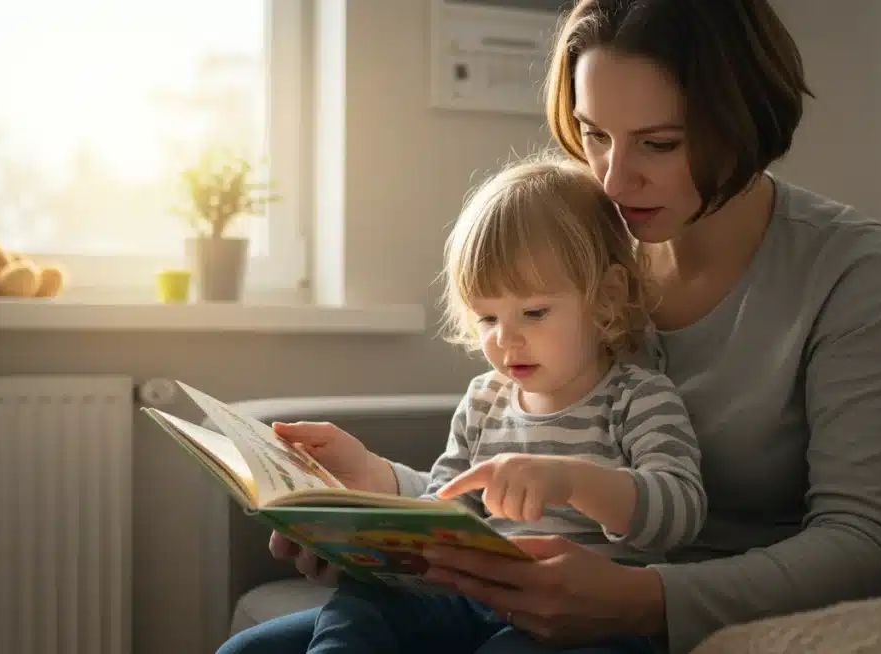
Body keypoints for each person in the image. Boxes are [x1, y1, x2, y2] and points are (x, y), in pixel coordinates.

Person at [218, 0, 881, 652]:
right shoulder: (587, 238)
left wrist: (643, 599)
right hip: (511, 586)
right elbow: (503, 475)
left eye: (660, 143)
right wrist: (371, 499)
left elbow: (863, 542)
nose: (615, 181)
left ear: (744, 119)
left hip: (664, 608)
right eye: (594, 136)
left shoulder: (850, 269)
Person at [303, 155, 707, 654]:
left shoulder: (637, 397)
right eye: (487, 317)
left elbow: (680, 512)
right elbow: (444, 508)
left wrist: (572, 481)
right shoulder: (483, 400)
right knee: (350, 607)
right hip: (475, 598)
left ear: (605, 298)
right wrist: (360, 540)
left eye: (534, 312)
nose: (506, 339)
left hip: (588, 620)